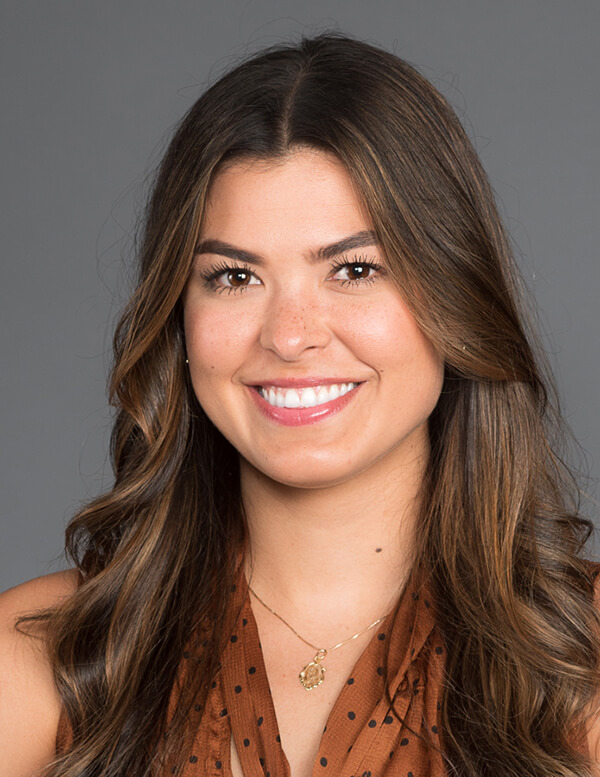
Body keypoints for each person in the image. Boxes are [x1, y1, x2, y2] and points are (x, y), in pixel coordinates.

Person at [0, 32, 599, 777]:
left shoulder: (582, 659)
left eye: (353, 268)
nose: (289, 337)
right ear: (177, 315)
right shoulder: (42, 655)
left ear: (456, 294)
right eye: (233, 278)